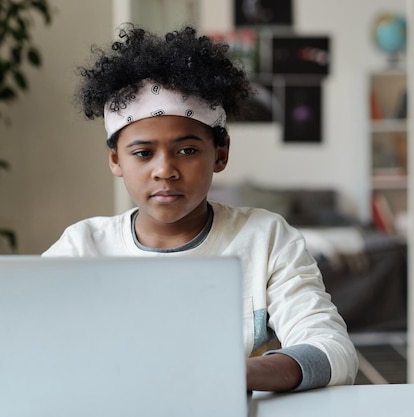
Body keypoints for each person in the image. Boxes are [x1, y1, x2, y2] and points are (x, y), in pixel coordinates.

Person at [43, 24, 358, 392]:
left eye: (188, 150)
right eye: (143, 153)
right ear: (116, 161)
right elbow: (27, 341)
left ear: (220, 155)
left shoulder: (266, 239)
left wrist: (234, 374)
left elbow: (333, 351)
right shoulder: (81, 247)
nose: (165, 170)